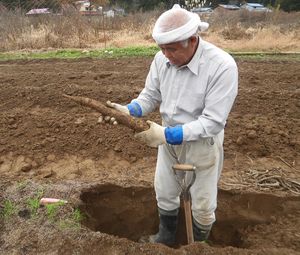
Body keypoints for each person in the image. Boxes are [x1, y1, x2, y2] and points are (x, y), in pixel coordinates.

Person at [106, 4, 238, 246]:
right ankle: (165, 238)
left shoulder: (222, 66)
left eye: (172, 49)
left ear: (192, 39)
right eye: (162, 48)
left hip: (202, 144)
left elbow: (213, 122)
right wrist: (129, 110)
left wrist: (168, 134)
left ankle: (198, 246)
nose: (166, 54)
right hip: (166, 140)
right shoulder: (161, 60)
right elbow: (150, 96)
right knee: (165, 192)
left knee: (203, 204)